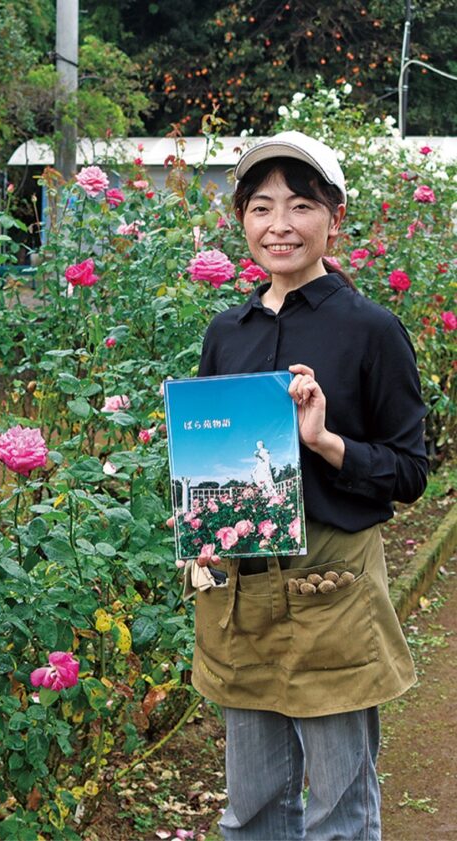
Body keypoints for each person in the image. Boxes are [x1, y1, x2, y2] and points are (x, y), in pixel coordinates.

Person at [188, 131, 428, 839]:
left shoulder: (371, 331)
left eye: (300, 205)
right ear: (242, 221)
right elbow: (210, 460)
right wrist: (196, 531)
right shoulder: (226, 332)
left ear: (335, 217)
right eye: (261, 207)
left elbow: (409, 470)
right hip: (242, 587)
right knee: (252, 807)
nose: (279, 225)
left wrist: (326, 444)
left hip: (333, 587)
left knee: (339, 813)